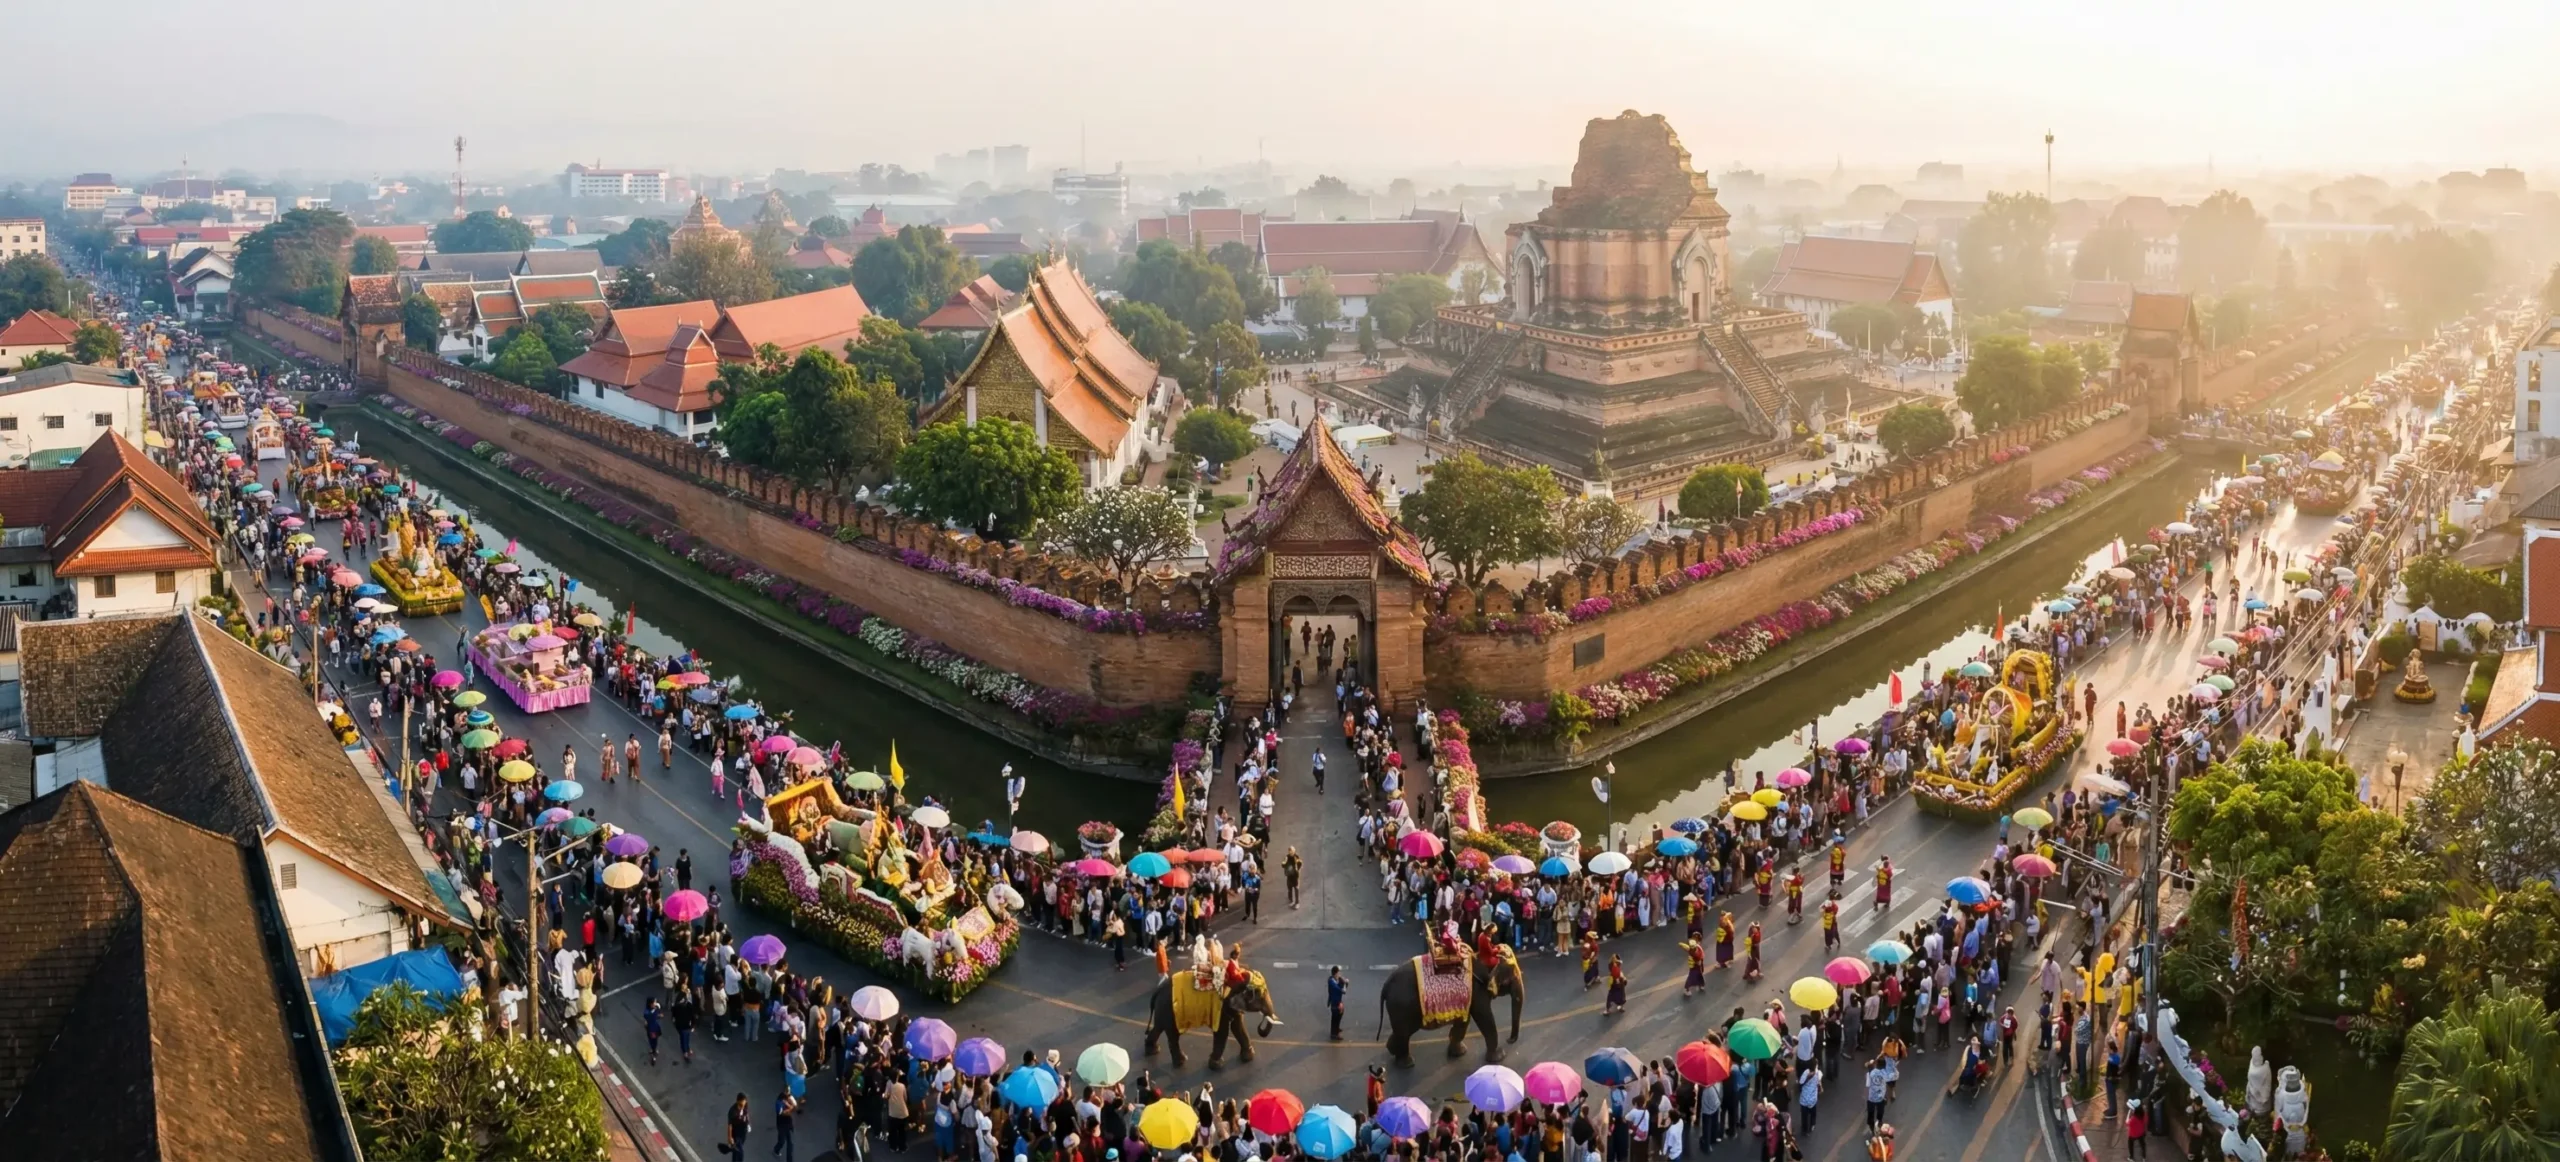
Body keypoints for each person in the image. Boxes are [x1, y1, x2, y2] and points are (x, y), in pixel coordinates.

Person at [772, 1089, 800, 1162]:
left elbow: (796, 1109)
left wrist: (794, 1105)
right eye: (788, 1094)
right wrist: (791, 1108)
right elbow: (784, 1114)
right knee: (782, 1141)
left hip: (789, 1124)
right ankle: (776, 1149)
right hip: (781, 1125)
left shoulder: (790, 1098)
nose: (789, 1095)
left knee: (790, 1144)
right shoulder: (778, 1103)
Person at [723, 1093, 751, 1158]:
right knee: (740, 1152)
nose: (742, 1107)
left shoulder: (745, 1105)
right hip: (736, 1132)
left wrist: (748, 1123)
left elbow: (746, 1113)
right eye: (741, 1105)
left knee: (738, 1148)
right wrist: (730, 1137)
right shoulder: (732, 1111)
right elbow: (730, 1125)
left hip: (743, 1132)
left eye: (744, 1105)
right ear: (737, 1101)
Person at [1327, 965, 1348, 1041]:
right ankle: (1335, 1034)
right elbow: (1342, 991)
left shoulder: (1334, 980)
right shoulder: (1332, 982)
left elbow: (1340, 987)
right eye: (1338, 973)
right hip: (1335, 1003)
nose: (1339, 975)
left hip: (1337, 1002)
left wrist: (1343, 982)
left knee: (1336, 1017)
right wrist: (1345, 984)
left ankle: (1335, 1030)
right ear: (1335, 974)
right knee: (1336, 1018)